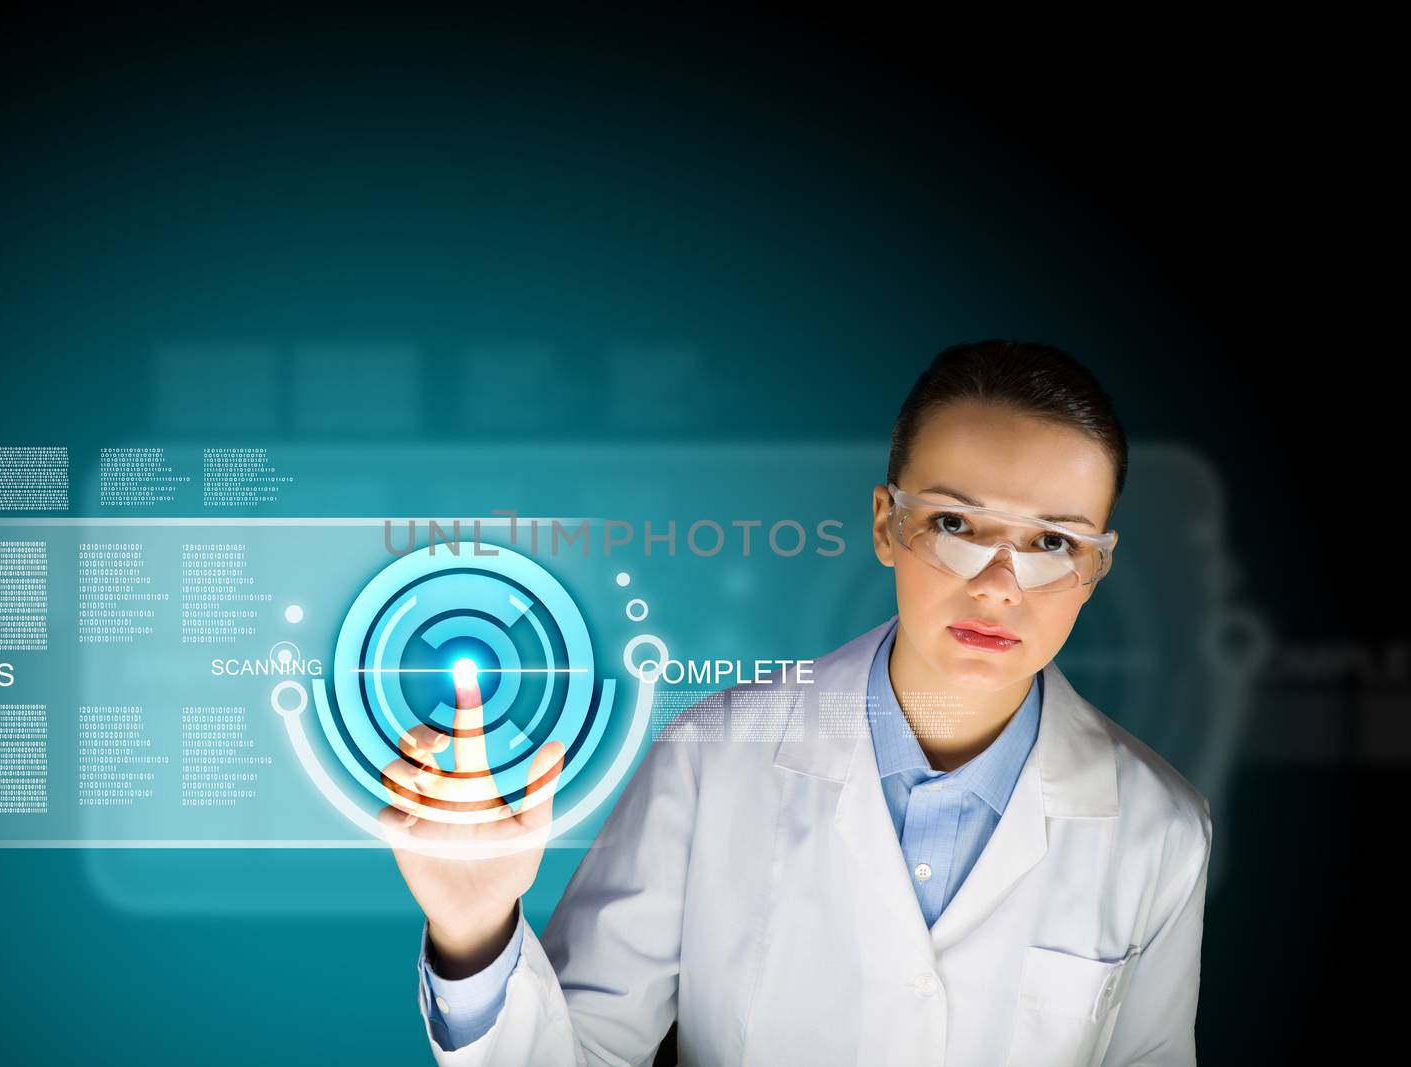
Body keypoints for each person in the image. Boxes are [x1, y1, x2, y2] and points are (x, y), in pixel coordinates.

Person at [379, 339, 1213, 1066]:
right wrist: (476, 931)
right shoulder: (713, 760)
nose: (1000, 587)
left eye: (1052, 543)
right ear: (886, 524)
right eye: (957, 524)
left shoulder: (1158, 830)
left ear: (1095, 566)